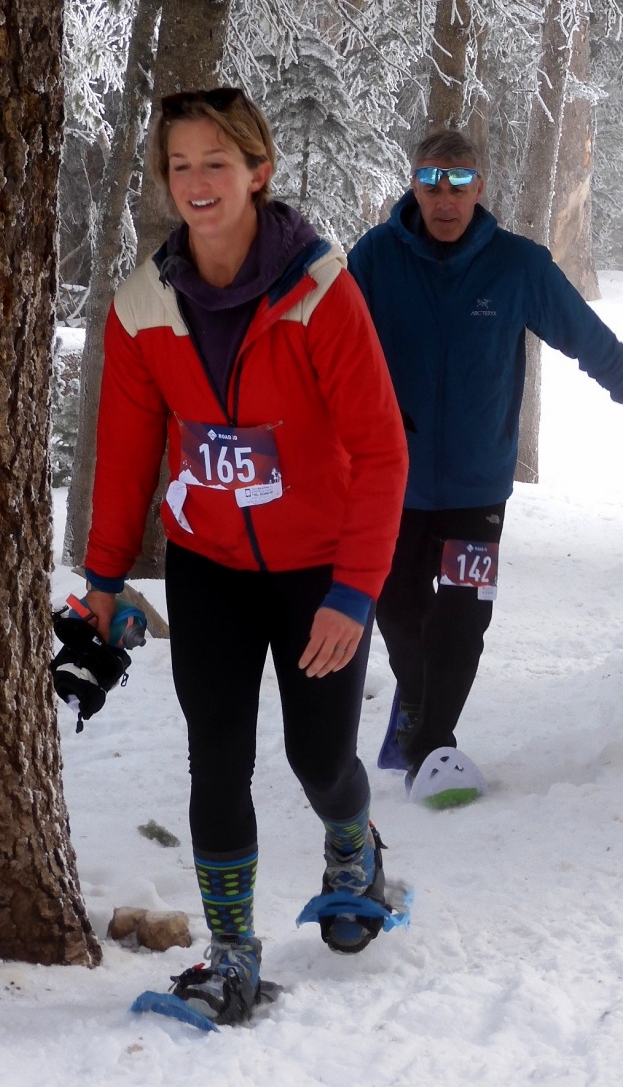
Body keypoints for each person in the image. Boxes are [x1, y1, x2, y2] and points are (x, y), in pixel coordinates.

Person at [81, 87, 408, 1023]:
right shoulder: (143, 304)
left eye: (215, 164)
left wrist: (355, 591)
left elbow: (382, 450)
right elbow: (126, 452)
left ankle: (355, 850)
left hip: (318, 570)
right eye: (179, 165)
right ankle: (231, 955)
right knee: (215, 759)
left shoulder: (318, 292)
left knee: (319, 758)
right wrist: (104, 575)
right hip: (210, 566)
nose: (196, 182)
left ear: (257, 172)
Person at [347, 128, 623, 804]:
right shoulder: (375, 259)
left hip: (477, 486)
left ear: (480, 187)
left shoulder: (516, 266)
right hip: (392, 482)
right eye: (431, 181)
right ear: (413, 185)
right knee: (398, 609)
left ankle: (432, 747)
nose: (445, 198)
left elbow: (585, 335)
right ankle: (417, 699)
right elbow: (335, 350)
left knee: (464, 615)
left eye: (460, 182)